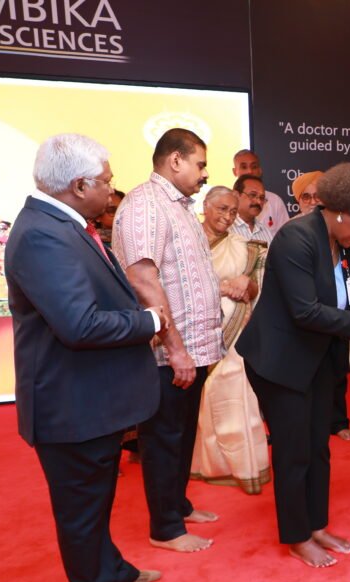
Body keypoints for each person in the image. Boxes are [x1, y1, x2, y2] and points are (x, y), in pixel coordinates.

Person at [5, 133, 167, 582]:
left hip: (88, 400)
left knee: (95, 501)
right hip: (71, 406)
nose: (112, 192)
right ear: (79, 185)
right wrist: (149, 321)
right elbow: (79, 325)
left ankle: (110, 568)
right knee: (80, 508)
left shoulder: (62, 226)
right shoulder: (43, 235)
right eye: (107, 183)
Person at [236, 162, 350, 568]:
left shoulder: (342, 244)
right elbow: (305, 311)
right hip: (280, 362)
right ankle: (297, 536)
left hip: (316, 359)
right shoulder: (296, 238)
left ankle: (316, 525)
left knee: (318, 448)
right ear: (345, 210)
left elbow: (344, 301)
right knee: (294, 452)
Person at [114, 128, 222, 553]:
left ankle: (177, 505)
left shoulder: (177, 205)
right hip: (166, 353)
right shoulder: (146, 204)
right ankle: (165, 528)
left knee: (183, 432)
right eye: (200, 164)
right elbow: (143, 279)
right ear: (175, 160)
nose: (205, 173)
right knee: (162, 437)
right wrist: (175, 347)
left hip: (193, 348)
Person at [190, 186, 269, 494]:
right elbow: (181, 286)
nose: (227, 216)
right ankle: (208, 465)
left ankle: (245, 467)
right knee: (206, 397)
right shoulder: (187, 243)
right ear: (205, 208)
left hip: (237, 335)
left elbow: (255, 290)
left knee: (238, 396)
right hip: (197, 333)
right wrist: (222, 287)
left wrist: (246, 284)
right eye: (221, 209)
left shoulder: (243, 247)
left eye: (233, 211)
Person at [291, 169, 350, 441]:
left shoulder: (337, 231)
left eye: (318, 196)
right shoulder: (293, 232)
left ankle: (337, 421)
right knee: (308, 375)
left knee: (338, 372)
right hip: (309, 318)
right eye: (306, 197)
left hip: (339, 316)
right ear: (298, 201)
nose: (313, 201)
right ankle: (308, 423)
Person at [232, 149, 289, 234]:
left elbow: (285, 235)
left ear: (260, 170)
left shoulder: (275, 201)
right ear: (235, 171)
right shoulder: (225, 201)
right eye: (244, 167)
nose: (249, 171)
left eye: (254, 167)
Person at [231, 174, 273, 245]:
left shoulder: (265, 231)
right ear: (236, 195)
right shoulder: (226, 229)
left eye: (262, 198)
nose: (258, 202)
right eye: (253, 195)